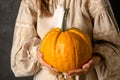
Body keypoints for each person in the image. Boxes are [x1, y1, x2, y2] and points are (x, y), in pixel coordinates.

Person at [11, 0, 120, 80]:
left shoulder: (94, 2)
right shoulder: (31, 2)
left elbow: (113, 46)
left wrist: (96, 58)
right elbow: (19, 56)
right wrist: (40, 53)